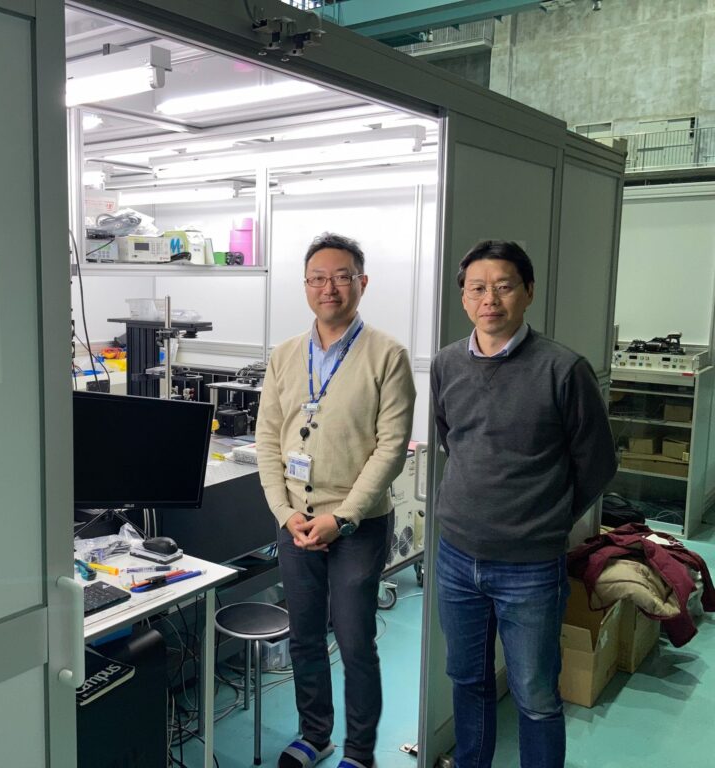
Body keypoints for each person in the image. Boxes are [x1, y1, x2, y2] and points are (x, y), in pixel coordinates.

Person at [430, 239, 617, 768]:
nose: (490, 299)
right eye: (477, 288)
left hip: (530, 567)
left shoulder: (564, 369)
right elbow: (453, 441)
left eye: (504, 286)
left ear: (528, 292)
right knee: (467, 680)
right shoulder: (446, 364)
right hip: (456, 558)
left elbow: (598, 464)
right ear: (464, 298)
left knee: (535, 695)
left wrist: (546, 519)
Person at [256, 232, 416, 768]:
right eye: (318, 278)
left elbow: (391, 447)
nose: (329, 288)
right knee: (304, 637)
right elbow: (267, 440)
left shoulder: (387, 355)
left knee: (354, 642)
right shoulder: (284, 356)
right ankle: (315, 734)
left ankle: (360, 752)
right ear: (305, 286)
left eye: (341, 277)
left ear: (361, 283)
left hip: (358, 526)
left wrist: (342, 518)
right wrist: (286, 514)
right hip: (296, 523)